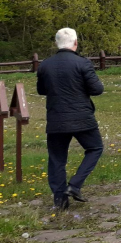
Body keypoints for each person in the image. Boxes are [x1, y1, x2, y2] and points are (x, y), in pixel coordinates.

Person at [36, 28, 105, 210]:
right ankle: (74, 186)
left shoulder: (45, 65)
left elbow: (41, 90)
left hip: (56, 118)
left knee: (57, 159)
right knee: (95, 148)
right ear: (75, 43)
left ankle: (60, 202)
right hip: (82, 117)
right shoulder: (82, 63)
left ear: (57, 43)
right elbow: (97, 89)